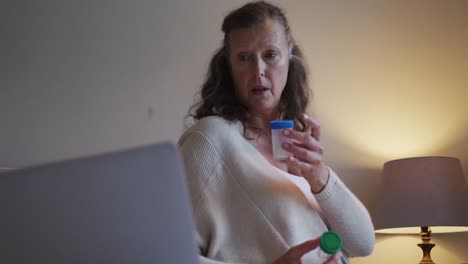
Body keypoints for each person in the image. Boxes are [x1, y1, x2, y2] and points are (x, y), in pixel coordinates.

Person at [178, 1, 375, 263]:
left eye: (270, 55)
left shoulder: (295, 147)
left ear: (290, 60)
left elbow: (363, 243)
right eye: (244, 58)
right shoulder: (209, 139)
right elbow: (170, 254)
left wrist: (320, 177)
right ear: (229, 68)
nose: (258, 70)